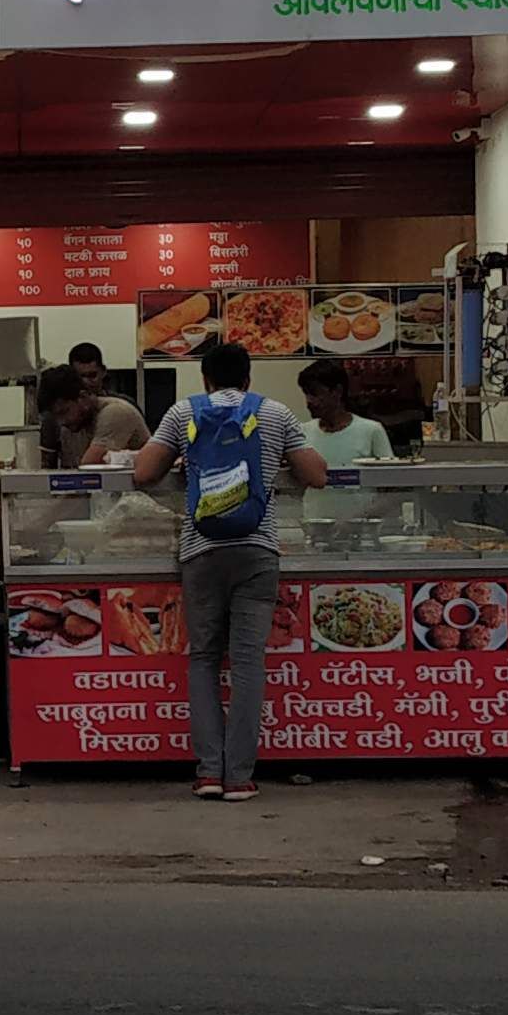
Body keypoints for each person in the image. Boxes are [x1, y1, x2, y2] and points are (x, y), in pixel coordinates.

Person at [133, 339, 326, 800]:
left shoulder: (183, 413)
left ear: (205, 378)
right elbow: (317, 475)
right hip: (257, 550)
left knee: (203, 658)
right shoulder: (276, 414)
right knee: (246, 663)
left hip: (201, 549)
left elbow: (143, 473)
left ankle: (208, 773)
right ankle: (239, 776)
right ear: (248, 378)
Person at [38, 346, 150, 464]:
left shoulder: (116, 412)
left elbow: (89, 469)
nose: (61, 422)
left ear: (83, 397)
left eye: (64, 412)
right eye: (56, 416)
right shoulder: (71, 427)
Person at [295, 356, 393, 463]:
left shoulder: (371, 430)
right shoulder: (302, 432)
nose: (309, 400)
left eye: (315, 393)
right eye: (306, 394)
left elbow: (389, 475)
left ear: (337, 391)